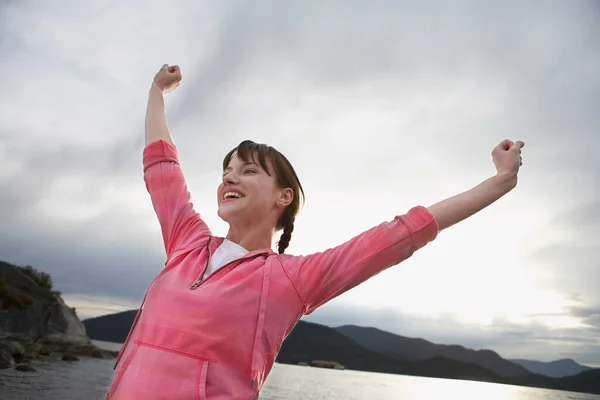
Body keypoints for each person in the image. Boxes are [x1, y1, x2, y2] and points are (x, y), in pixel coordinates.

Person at [106, 64, 525, 400]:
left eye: (248, 171)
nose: (229, 178)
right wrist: (155, 94)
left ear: (282, 197)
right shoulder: (186, 242)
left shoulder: (290, 280)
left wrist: (498, 183)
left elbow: (401, 234)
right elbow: (162, 167)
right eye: (226, 171)